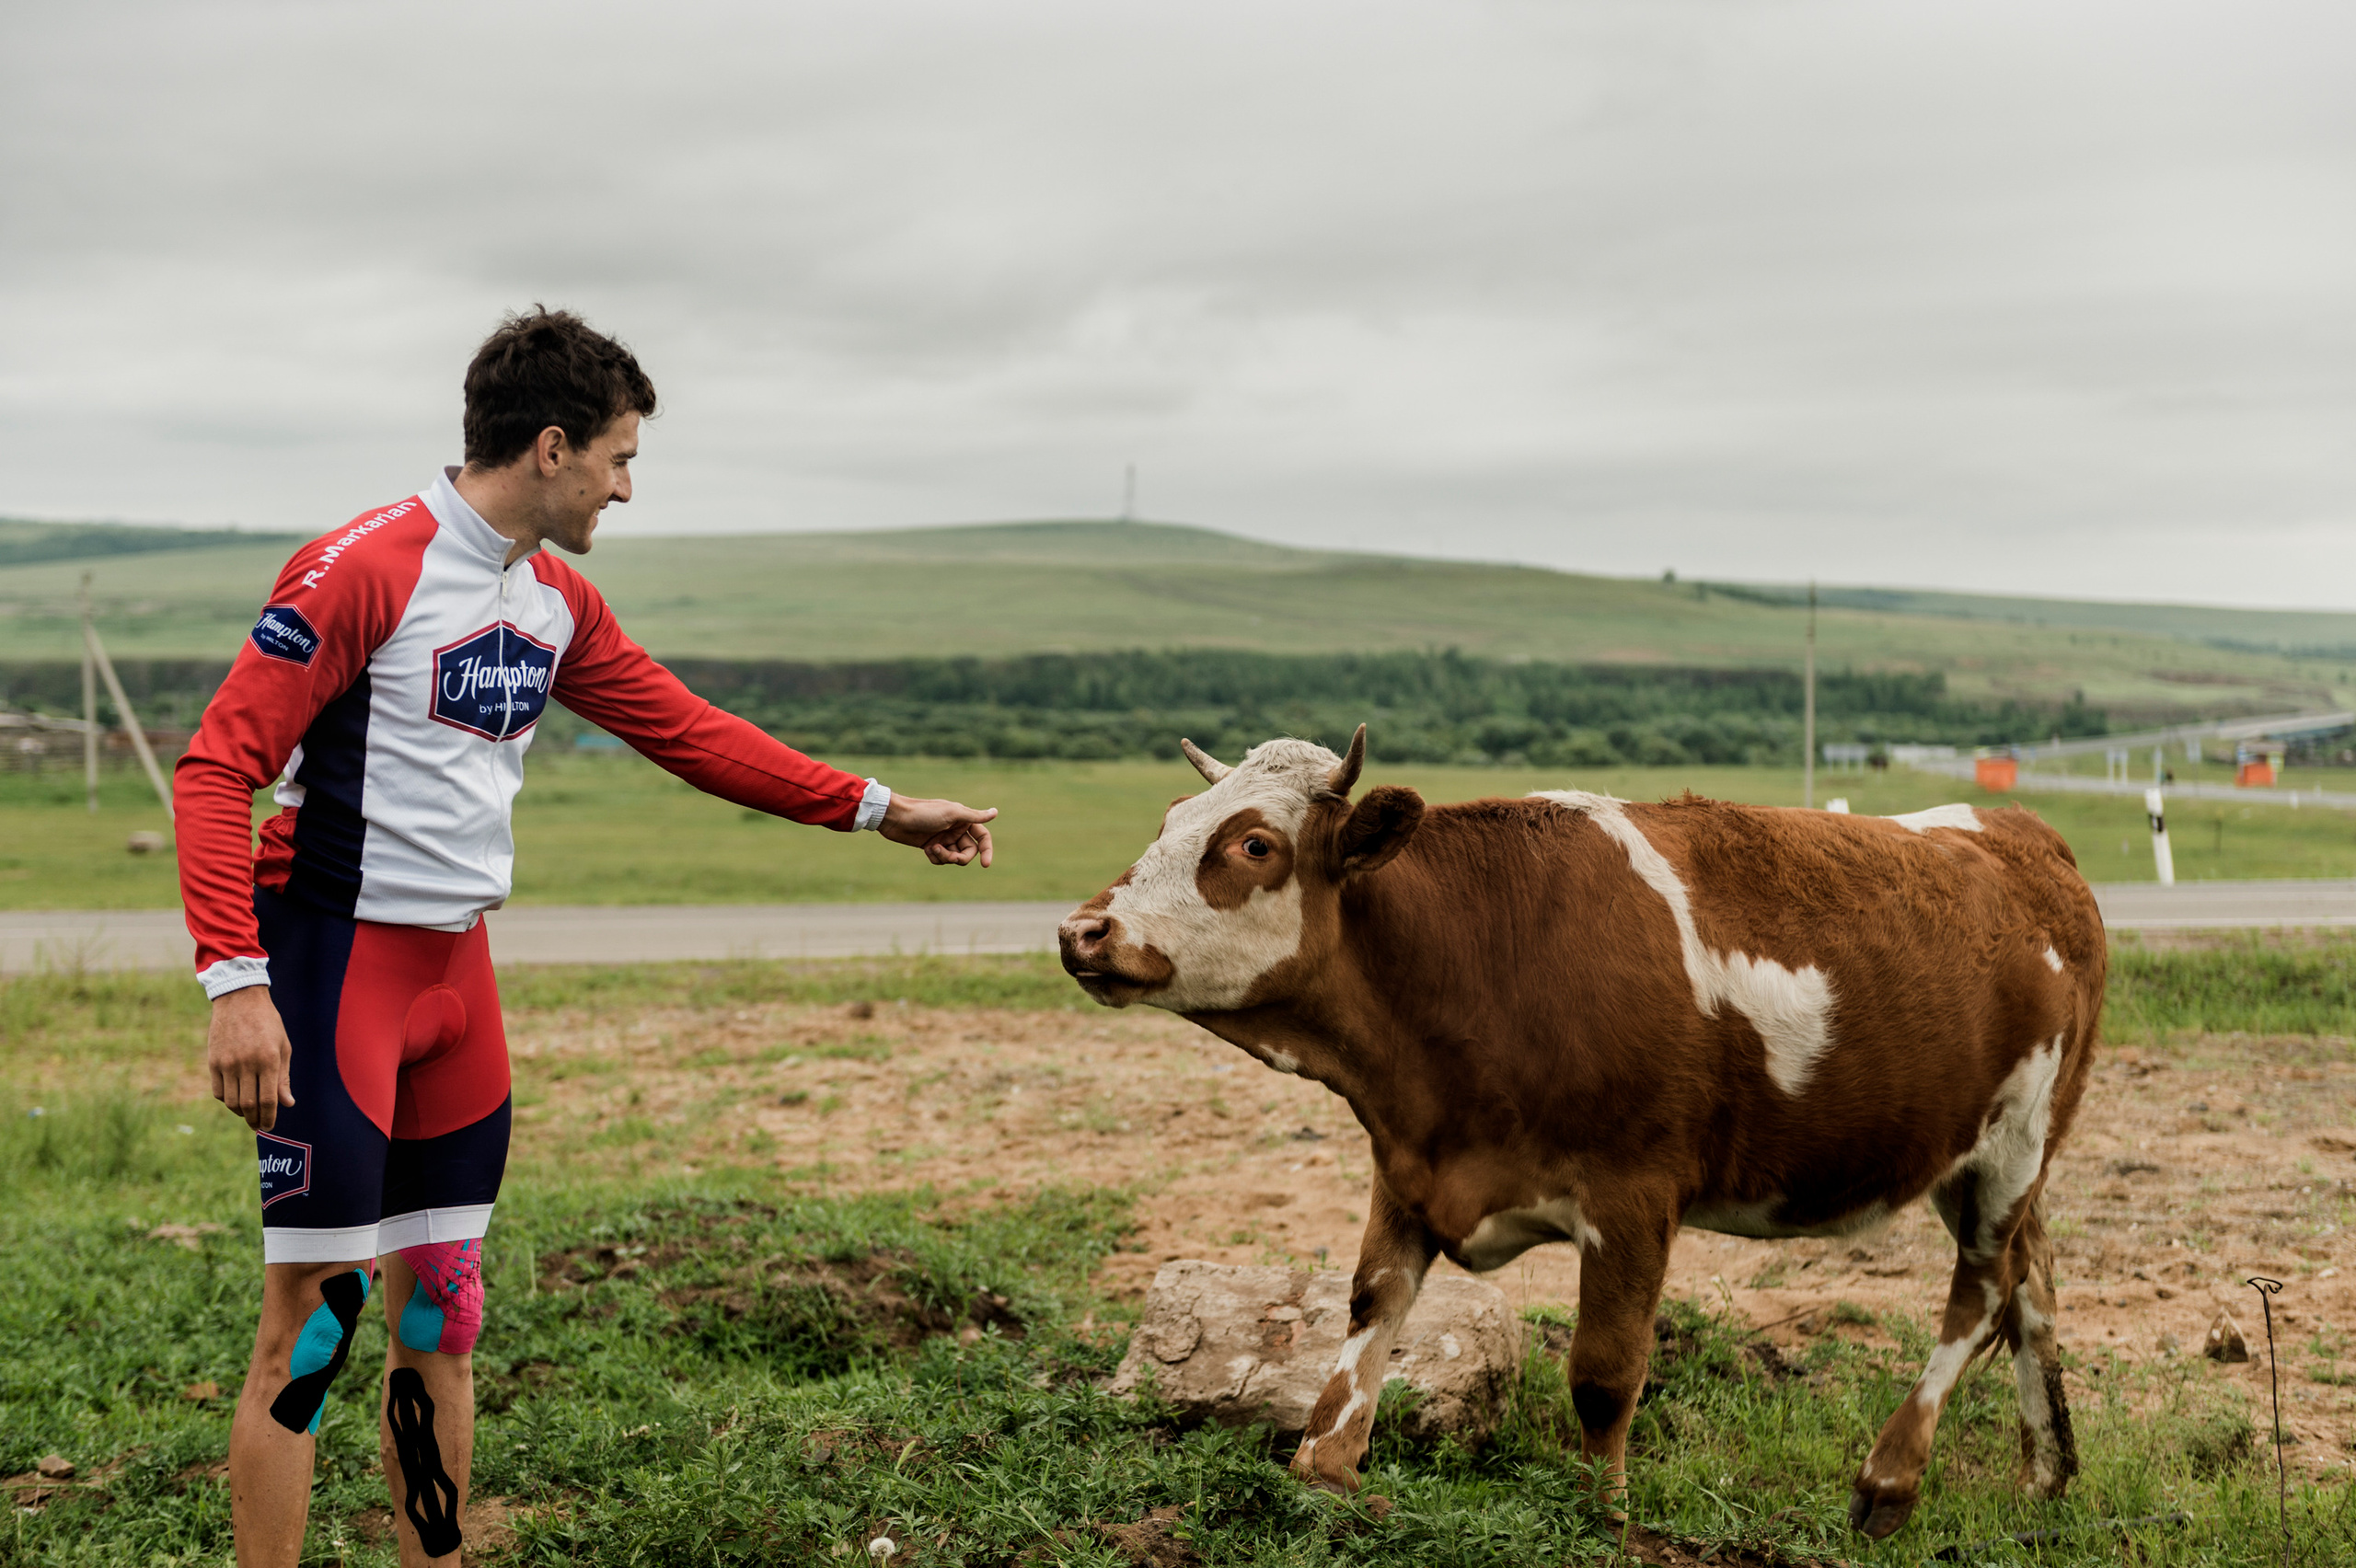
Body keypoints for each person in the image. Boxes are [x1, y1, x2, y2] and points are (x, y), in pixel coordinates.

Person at [175, 307, 998, 1568]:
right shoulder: (362, 569)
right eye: (619, 458)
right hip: (333, 973)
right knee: (320, 1324)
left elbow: (690, 731)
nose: (625, 486)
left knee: (441, 1318)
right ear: (552, 447)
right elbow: (214, 768)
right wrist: (238, 985)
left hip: (457, 983)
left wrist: (882, 810)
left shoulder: (555, 598)